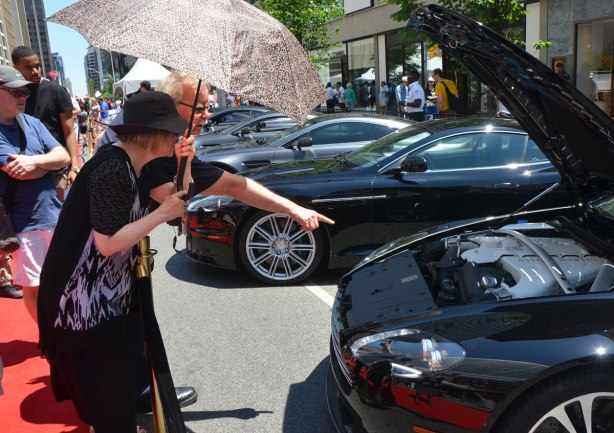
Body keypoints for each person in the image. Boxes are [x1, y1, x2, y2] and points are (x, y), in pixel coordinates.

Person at [37, 91, 197, 433]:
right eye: (172, 132)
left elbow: (175, 201)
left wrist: (186, 164)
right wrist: (162, 214)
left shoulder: (136, 164)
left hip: (107, 299)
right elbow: (107, 243)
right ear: (151, 134)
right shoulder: (112, 167)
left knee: (118, 390)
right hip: (83, 306)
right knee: (110, 404)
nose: (176, 137)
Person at [0, 65, 71, 322]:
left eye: (25, 93)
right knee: (34, 285)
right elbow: (19, 172)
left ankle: (58, 330)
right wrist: (46, 163)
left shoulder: (32, 122)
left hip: (53, 213)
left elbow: (64, 155)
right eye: (15, 92)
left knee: (62, 278)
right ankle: (46, 335)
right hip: (23, 222)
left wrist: (33, 162)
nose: (23, 97)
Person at [11, 46, 79, 202]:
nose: (35, 71)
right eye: (28, 67)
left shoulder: (56, 91)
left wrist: (74, 167)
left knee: (59, 216)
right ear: (16, 68)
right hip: (25, 170)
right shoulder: (13, 94)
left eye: (37, 65)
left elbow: (69, 131)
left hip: (56, 169)